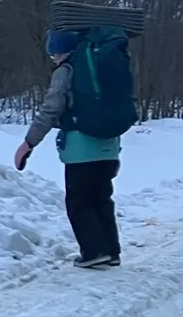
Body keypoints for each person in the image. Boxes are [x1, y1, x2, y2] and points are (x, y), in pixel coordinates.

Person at [15, 28, 123, 268]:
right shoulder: (104, 67)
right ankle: (111, 251)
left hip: (80, 149)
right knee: (102, 199)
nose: (52, 57)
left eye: (53, 51)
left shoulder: (66, 71)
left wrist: (29, 142)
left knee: (79, 202)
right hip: (110, 146)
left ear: (59, 50)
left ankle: (94, 252)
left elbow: (51, 109)